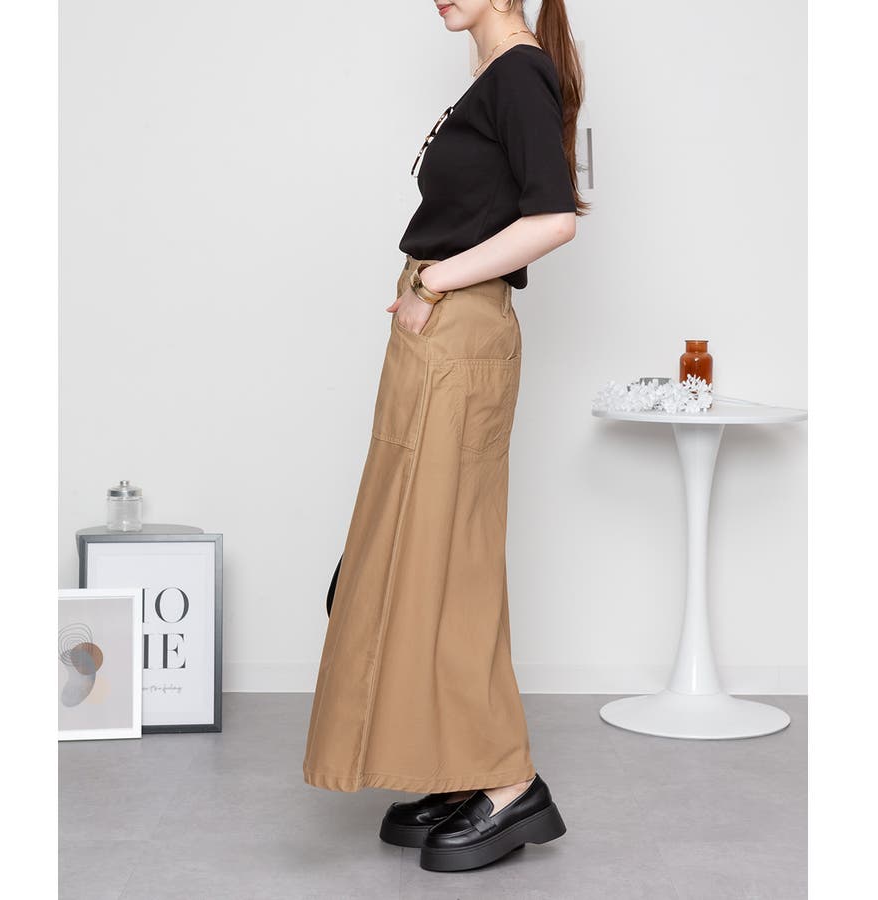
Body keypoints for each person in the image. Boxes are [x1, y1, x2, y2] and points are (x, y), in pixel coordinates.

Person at [303, 0, 589, 873]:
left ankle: (508, 780)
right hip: (435, 328)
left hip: (457, 326)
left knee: (451, 560)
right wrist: (423, 290)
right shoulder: (494, 75)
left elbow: (555, 217)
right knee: (410, 551)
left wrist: (434, 281)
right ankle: (458, 764)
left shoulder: (521, 73)